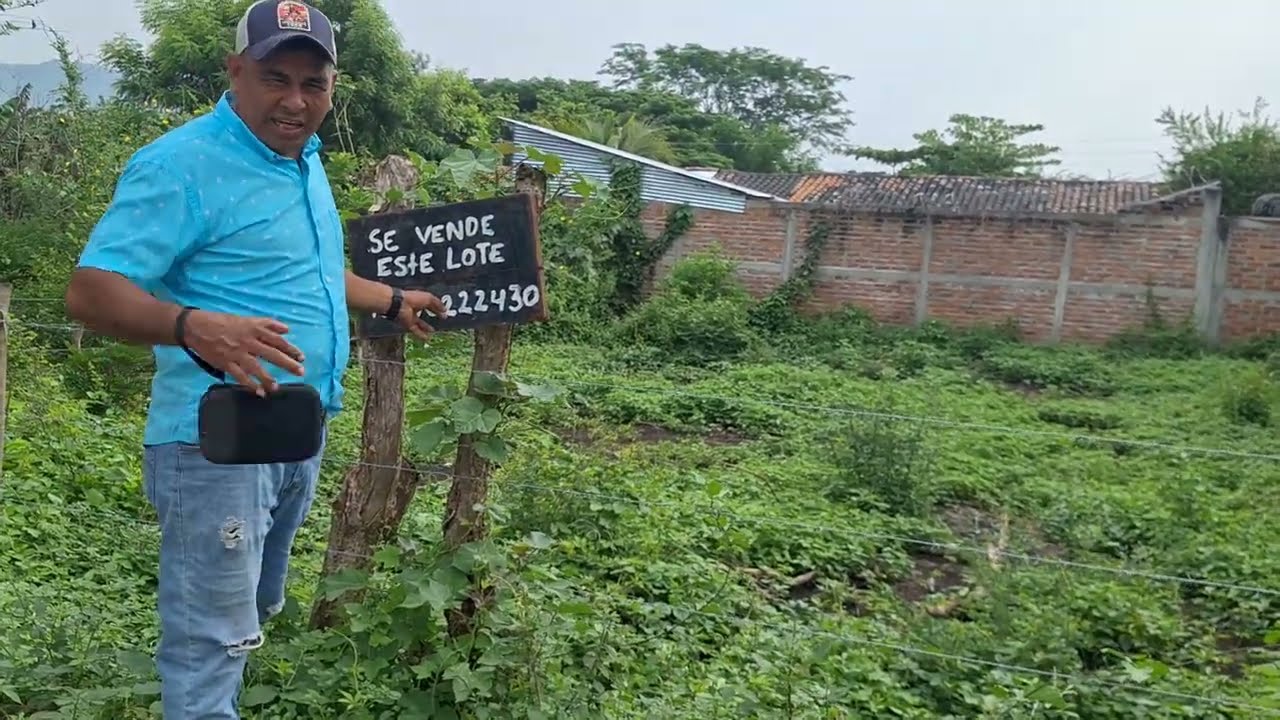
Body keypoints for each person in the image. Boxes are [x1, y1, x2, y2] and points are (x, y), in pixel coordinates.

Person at [63, 1, 444, 716]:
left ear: (334, 87)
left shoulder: (301, 163)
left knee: (255, 609)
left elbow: (311, 269)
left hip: (295, 432)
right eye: (275, 79)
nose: (295, 102)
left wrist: (389, 299)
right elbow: (89, 292)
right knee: (212, 640)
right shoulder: (181, 164)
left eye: (314, 83)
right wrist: (191, 325)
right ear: (235, 72)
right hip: (218, 445)